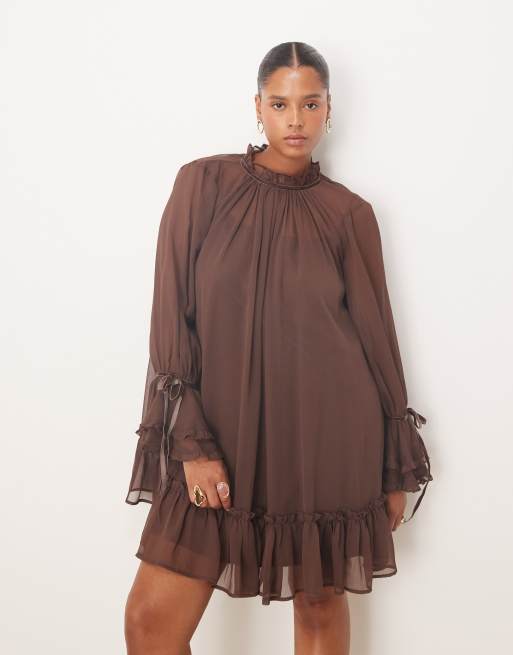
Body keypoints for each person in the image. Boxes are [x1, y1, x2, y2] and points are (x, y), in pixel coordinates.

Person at [124, 41, 433, 655]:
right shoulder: (202, 185)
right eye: (281, 103)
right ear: (258, 107)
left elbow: (377, 339)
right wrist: (191, 443)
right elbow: (171, 319)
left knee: (319, 609)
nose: (296, 119)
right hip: (220, 436)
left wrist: (394, 464)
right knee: (150, 623)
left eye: (310, 104)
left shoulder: (348, 214)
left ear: (328, 110)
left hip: (325, 441)